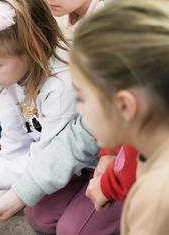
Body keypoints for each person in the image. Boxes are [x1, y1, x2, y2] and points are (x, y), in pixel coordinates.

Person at [0, 0, 121, 234]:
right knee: (38, 217)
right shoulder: (6, 76)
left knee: (73, 229)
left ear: (31, 49)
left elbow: (54, 152)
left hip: (100, 161)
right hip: (68, 160)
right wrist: (7, 195)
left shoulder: (63, 84)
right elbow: (14, 140)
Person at [70, 1, 169, 234]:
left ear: (124, 105)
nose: (79, 108)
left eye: (82, 96)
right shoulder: (152, 142)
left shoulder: (155, 199)